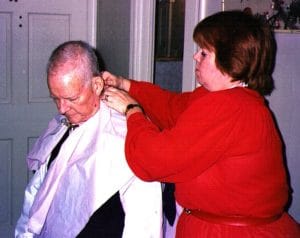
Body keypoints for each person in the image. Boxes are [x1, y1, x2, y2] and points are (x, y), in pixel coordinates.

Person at [101, 10, 300, 238]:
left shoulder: (230, 108)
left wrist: (131, 110)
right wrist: (125, 85)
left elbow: (155, 161)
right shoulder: (220, 97)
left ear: (230, 61)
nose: (196, 57)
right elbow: (172, 107)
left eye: (204, 53)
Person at [15, 40, 163, 238]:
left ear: (96, 84)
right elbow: (35, 196)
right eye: (55, 98)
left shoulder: (127, 138)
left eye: (71, 98)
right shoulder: (62, 125)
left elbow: (145, 225)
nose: (61, 109)